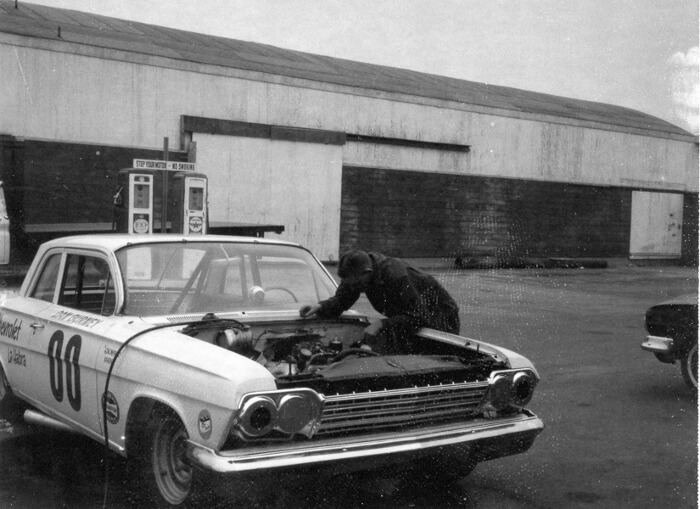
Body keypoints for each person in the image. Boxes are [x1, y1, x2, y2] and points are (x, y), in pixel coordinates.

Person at [299, 250, 460, 349]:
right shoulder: (357, 275)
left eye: (356, 284)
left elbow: (419, 316)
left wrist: (381, 324)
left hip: (441, 318)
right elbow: (342, 300)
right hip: (410, 316)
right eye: (349, 284)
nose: (353, 288)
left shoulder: (395, 276)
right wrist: (320, 307)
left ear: (367, 273)